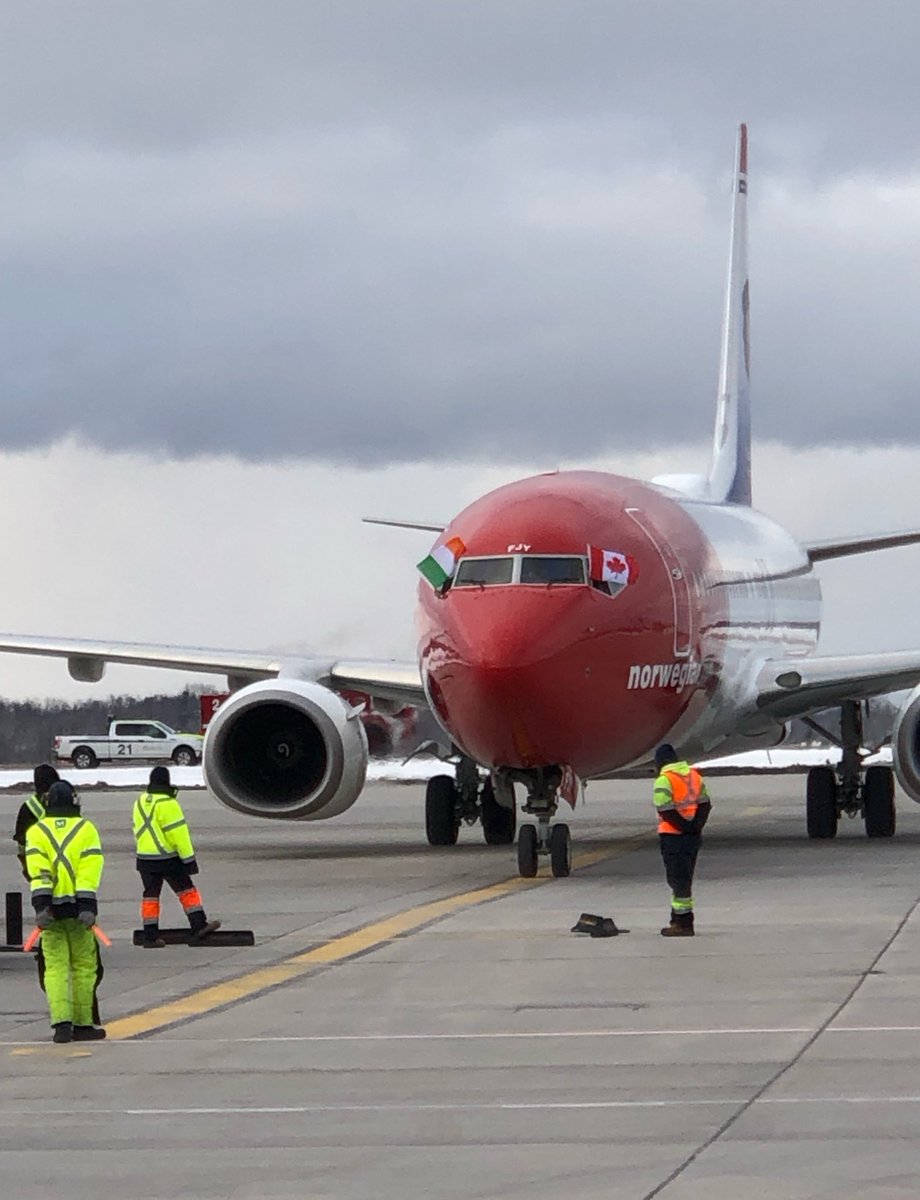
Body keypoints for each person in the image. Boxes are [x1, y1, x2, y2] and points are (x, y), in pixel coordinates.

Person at [24, 780, 106, 1043]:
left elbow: (39, 873)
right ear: (74, 800)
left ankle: (61, 1024)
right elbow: (88, 872)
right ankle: (83, 1024)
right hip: (79, 912)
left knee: (55, 969)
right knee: (84, 967)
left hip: (50, 913)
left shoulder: (36, 831)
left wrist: (41, 906)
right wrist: (87, 906)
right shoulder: (86, 829)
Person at [134, 765, 220, 948]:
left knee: (150, 896)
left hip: (144, 859)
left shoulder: (140, 801)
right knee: (187, 891)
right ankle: (199, 925)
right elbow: (179, 835)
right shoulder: (168, 804)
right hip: (167, 858)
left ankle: (150, 935)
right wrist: (189, 860)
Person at [653, 743, 711, 937]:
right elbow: (705, 804)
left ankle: (683, 923)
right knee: (685, 878)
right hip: (693, 837)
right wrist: (695, 827)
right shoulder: (694, 776)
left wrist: (684, 828)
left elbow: (665, 810)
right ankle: (679, 920)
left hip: (673, 837)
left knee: (678, 880)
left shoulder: (664, 780)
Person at [13, 764, 60, 879]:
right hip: (67, 862)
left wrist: (26, 867)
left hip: (39, 866)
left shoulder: (29, 807)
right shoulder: (66, 802)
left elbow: (22, 842)